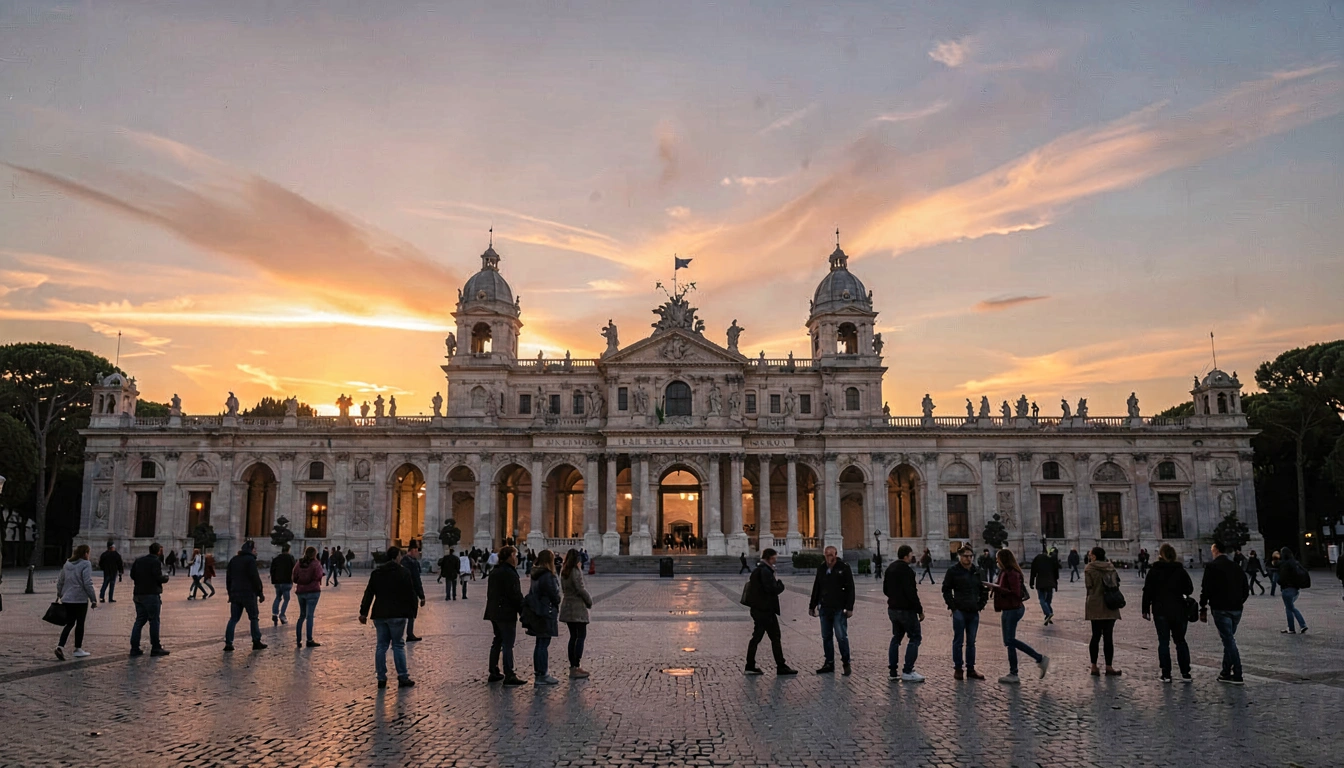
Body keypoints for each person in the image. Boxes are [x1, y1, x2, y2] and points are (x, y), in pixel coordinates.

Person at [359, 545, 418, 688]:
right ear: (397, 557)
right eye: (399, 555)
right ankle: (403, 677)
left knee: (381, 646)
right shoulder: (404, 573)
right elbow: (411, 594)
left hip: (379, 614)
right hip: (398, 614)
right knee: (398, 645)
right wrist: (412, 613)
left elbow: (369, 594)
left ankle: (381, 678)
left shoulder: (377, 573)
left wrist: (363, 612)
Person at [988, 548, 1049, 684]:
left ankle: (1039, 659)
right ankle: (1013, 673)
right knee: (1009, 642)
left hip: (1013, 609)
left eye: (998, 558)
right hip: (1008, 608)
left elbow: (1015, 592)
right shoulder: (1005, 572)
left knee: (1010, 641)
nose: (996, 561)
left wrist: (996, 588)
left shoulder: (1012, 573)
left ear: (1004, 559)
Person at [1141, 543, 1193, 683]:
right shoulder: (1179, 570)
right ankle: (1185, 673)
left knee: (1163, 642)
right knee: (1180, 641)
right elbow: (1189, 589)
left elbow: (1147, 591)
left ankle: (1166, 674)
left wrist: (1145, 609)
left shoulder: (1155, 570)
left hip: (1161, 611)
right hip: (1179, 610)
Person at [1200, 539, 1250, 684]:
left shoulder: (1211, 567)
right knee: (1229, 639)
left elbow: (1206, 589)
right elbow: (1245, 589)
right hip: (1236, 609)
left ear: (1215, 550)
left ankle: (1238, 673)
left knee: (1228, 640)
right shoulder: (1236, 566)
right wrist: (1239, 602)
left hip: (1220, 608)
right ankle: (1225, 672)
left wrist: (1203, 607)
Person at [744, 549, 797, 676]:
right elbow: (771, 589)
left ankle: (750, 665)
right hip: (765, 611)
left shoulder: (759, 570)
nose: (775, 560)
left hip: (759, 609)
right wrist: (780, 586)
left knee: (757, 638)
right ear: (768, 558)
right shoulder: (765, 571)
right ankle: (780, 666)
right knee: (774, 637)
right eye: (774, 558)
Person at [942, 546, 988, 680]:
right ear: (960, 556)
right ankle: (958, 668)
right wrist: (953, 607)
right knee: (958, 641)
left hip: (973, 611)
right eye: (966, 556)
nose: (968, 558)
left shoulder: (977, 571)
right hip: (959, 610)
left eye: (970, 556)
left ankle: (971, 668)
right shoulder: (953, 571)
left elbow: (983, 588)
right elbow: (946, 589)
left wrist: (981, 604)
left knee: (971, 642)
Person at [808, 545, 855, 675]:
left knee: (841, 636)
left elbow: (850, 588)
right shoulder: (822, 568)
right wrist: (812, 605)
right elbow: (816, 586)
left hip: (839, 608)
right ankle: (829, 663)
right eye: (826, 554)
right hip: (824, 607)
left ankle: (846, 662)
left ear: (835, 554)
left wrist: (849, 607)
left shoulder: (843, 567)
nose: (829, 557)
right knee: (826, 636)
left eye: (831, 554)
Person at [485, 546, 526, 686]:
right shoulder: (510, 573)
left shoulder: (495, 571)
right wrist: (523, 612)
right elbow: (515, 595)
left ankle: (493, 671)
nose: (517, 558)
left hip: (494, 611)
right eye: (515, 555)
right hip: (506, 612)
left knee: (497, 640)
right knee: (508, 643)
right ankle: (509, 674)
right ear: (509, 556)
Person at [883, 545, 924, 682]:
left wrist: (894, 598)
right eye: (911, 554)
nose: (912, 556)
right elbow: (912, 593)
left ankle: (893, 671)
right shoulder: (907, 571)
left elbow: (885, 589)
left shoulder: (890, 568)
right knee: (915, 638)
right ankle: (908, 670)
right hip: (906, 610)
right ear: (906, 555)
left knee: (896, 638)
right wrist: (920, 610)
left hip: (893, 609)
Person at [54, 544, 98, 660]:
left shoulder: (67, 563)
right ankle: (78, 648)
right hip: (79, 599)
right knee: (80, 624)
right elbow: (87, 583)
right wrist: (93, 598)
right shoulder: (86, 564)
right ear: (85, 553)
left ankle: (60, 646)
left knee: (69, 623)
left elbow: (60, 581)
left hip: (67, 598)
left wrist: (60, 593)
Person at [525, 549, 563, 685]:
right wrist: (558, 598)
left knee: (539, 644)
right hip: (546, 612)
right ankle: (543, 674)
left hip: (537, 611)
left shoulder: (536, 574)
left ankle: (539, 673)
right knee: (543, 644)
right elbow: (555, 595)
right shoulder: (548, 575)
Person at [1084, 547, 1122, 676]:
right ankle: (1109, 666)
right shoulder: (1111, 567)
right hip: (1110, 604)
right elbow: (1117, 583)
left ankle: (1094, 666)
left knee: (1095, 636)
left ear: (1094, 556)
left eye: (1090, 554)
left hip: (1095, 604)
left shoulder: (1089, 569)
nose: (1089, 556)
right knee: (1108, 637)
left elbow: (1089, 586)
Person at [223, 541, 267, 652]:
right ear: (251, 550)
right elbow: (255, 578)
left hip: (235, 594)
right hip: (248, 594)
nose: (256, 551)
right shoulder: (250, 561)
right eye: (255, 549)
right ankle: (256, 641)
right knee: (253, 617)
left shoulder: (234, 560)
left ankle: (228, 643)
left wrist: (230, 593)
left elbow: (228, 578)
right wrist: (260, 592)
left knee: (233, 618)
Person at [129, 541, 170, 657]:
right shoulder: (155, 561)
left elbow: (132, 575)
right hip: (151, 595)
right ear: (158, 551)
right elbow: (158, 577)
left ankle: (134, 648)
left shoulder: (139, 560)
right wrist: (165, 578)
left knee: (139, 620)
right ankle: (156, 647)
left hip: (138, 594)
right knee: (154, 621)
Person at [559, 548, 593, 679]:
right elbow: (580, 588)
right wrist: (589, 601)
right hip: (577, 607)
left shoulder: (564, 571)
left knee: (573, 636)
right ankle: (576, 666)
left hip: (567, 606)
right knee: (580, 636)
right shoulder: (575, 571)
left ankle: (573, 666)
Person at [292, 546, 324, 648]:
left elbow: (294, 576)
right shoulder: (316, 563)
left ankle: (298, 640)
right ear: (315, 554)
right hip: (313, 591)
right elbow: (318, 576)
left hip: (301, 591)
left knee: (302, 616)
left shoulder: (299, 563)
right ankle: (309, 639)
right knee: (310, 616)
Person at [1276, 547, 1310, 634]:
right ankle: (1291, 627)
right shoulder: (1295, 563)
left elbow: (1281, 578)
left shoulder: (1285, 565)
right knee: (1289, 607)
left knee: (1290, 607)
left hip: (1287, 589)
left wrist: (1279, 581)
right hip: (1295, 589)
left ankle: (1301, 625)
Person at [1029, 547, 1060, 625]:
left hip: (1041, 582)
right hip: (1050, 582)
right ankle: (1048, 615)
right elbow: (1056, 573)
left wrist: (1031, 582)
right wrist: (1056, 584)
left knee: (1042, 599)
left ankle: (1048, 613)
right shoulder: (1051, 559)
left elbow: (1033, 571)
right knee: (1048, 600)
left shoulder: (1037, 558)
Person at [402, 542, 426, 641]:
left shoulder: (402, 561)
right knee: (411, 613)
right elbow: (416, 579)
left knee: (402, 613)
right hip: (411, 591)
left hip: (402, 591)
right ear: (413, 550)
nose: (418, 553)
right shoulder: (412, 562)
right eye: (417, 551)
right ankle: (409, 633)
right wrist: (422, 595)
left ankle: (399, 635)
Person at [270, 543, 296, 625]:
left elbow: (272, 570)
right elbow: (294, 569)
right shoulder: (290, 558)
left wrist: (274, 580)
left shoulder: (276, 558)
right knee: (286, 599)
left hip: (278, 582)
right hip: (287, 582)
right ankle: (282, 615)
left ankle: (274, 613)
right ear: (288, 550)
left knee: (278, 597)